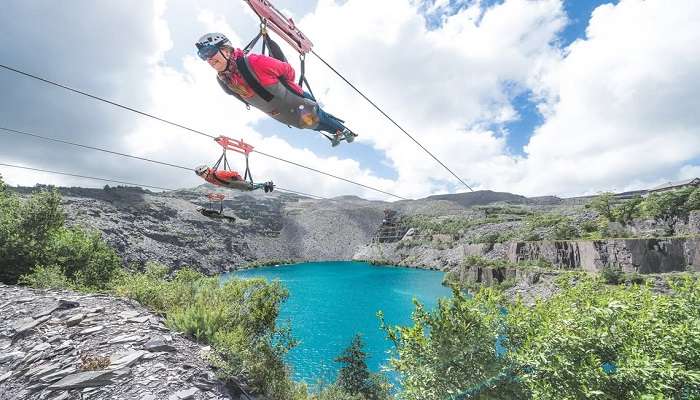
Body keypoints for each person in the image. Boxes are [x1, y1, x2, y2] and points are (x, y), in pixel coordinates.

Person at [195, 32, 357, 147]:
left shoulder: (254, 62)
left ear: (226, 49)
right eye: (203, 56)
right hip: (282, 113)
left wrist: (283, 86)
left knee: (317, 116)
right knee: (310, 124)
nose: (208, 59)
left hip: (295, 101)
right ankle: (336, 131)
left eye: (210, 52)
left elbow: (288, 71)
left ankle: (342, 129)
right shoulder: (224, 80)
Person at [194, 165, 274, 192]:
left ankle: (266, 184)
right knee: (249, 189)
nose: (201, 176)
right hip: (230, 185)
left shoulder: (218, 173)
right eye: (200, 175)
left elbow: (234, 173)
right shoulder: (208, 179)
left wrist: (240, 180)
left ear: (206, 170)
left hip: (235, 182)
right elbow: (218, 183)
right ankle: (265, 185)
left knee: (250, 187)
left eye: (202, 174)